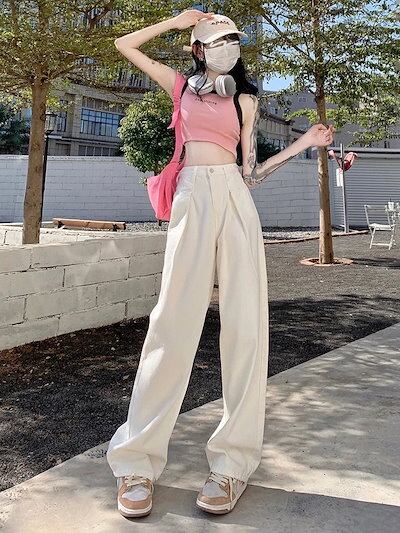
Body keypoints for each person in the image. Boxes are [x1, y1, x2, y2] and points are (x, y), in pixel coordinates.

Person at [107, 10, 335, 519]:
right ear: (198, 48)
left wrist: (304, 143)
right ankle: (136, 462)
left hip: (234, 197)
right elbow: (125, 44)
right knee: (171, 323)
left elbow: (250, 172)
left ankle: (232, 465)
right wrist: (175, 20)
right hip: (191, 196)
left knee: (246, 328)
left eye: (234, 39)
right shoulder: (180, 86)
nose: (229, 45)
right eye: (218, 39)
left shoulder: (245, 99)